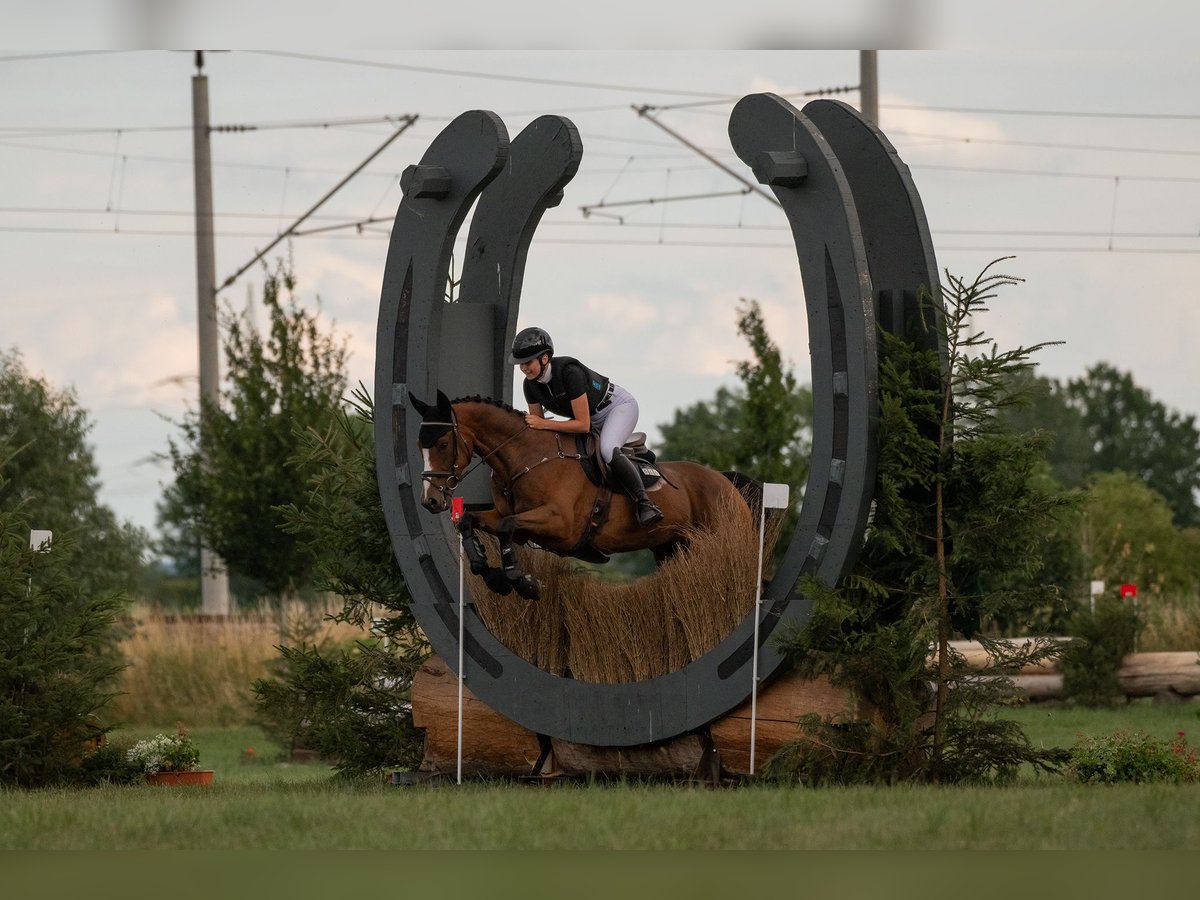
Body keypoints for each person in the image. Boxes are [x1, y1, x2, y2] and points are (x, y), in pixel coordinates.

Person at [510, 326, 663, 528]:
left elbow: (582, 425)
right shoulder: (530, 385)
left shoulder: (569, 373)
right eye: (520, 365)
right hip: (591, 417)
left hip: (616, 407)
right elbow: (539, 428)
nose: (524, 368)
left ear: (545, 358)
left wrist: (543, 423)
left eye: (527, 362)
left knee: (608, 450)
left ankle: (645, 504)